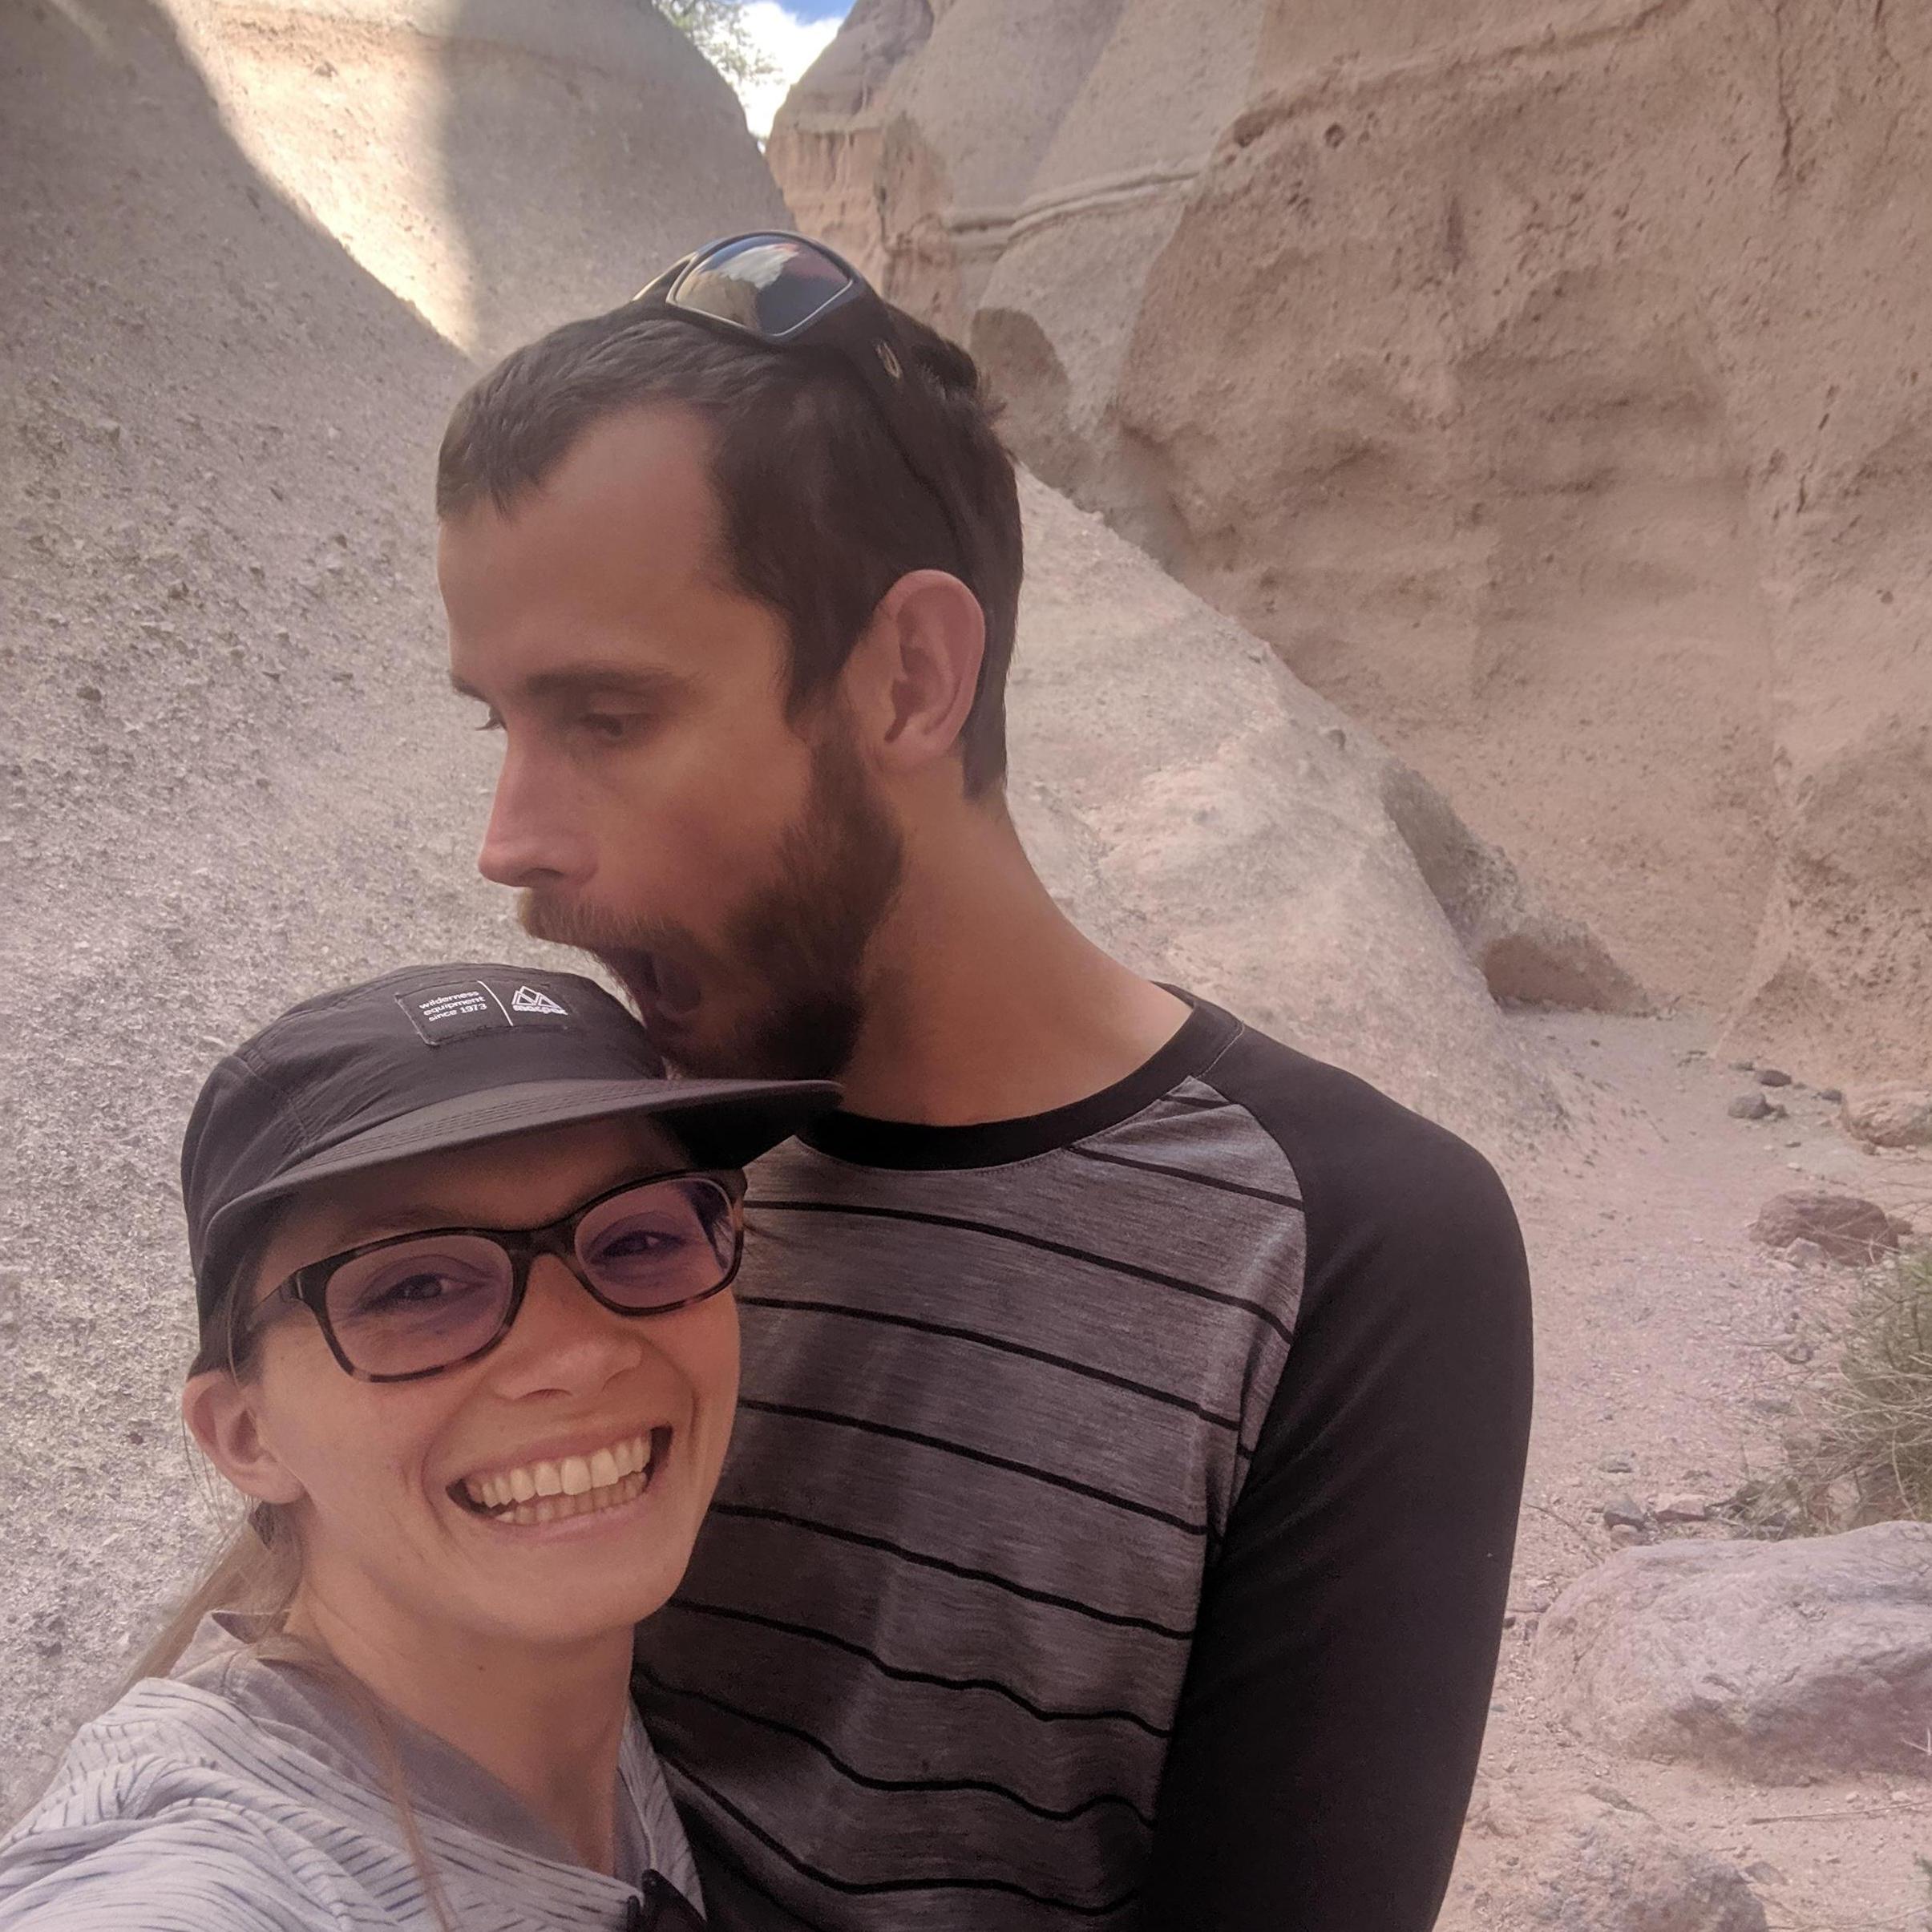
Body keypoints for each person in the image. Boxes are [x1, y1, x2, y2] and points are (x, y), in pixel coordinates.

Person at [436, 233, 1535, 1930]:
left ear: (907, 677)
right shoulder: (597, 1184)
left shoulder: (1343, 1245)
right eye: (494, 724)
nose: (509, 842)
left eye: (601, 716)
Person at [0, 963, 835, 1930]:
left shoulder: (578, 1713)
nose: (577, 1352)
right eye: (416, 1290)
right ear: (246, 1434)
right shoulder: (205, 1880)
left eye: (639, 1239)